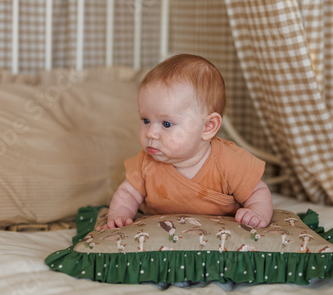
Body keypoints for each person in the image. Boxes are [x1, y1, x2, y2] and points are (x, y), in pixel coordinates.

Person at [100, 54, 272, 230]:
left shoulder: (230, 162)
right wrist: (119, 215)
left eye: (166, 124)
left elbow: (258, 191)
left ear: (207, 127)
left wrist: (256, 211)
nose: (151, 132)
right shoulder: (145, 163)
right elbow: (128, 193)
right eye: (145, 120)